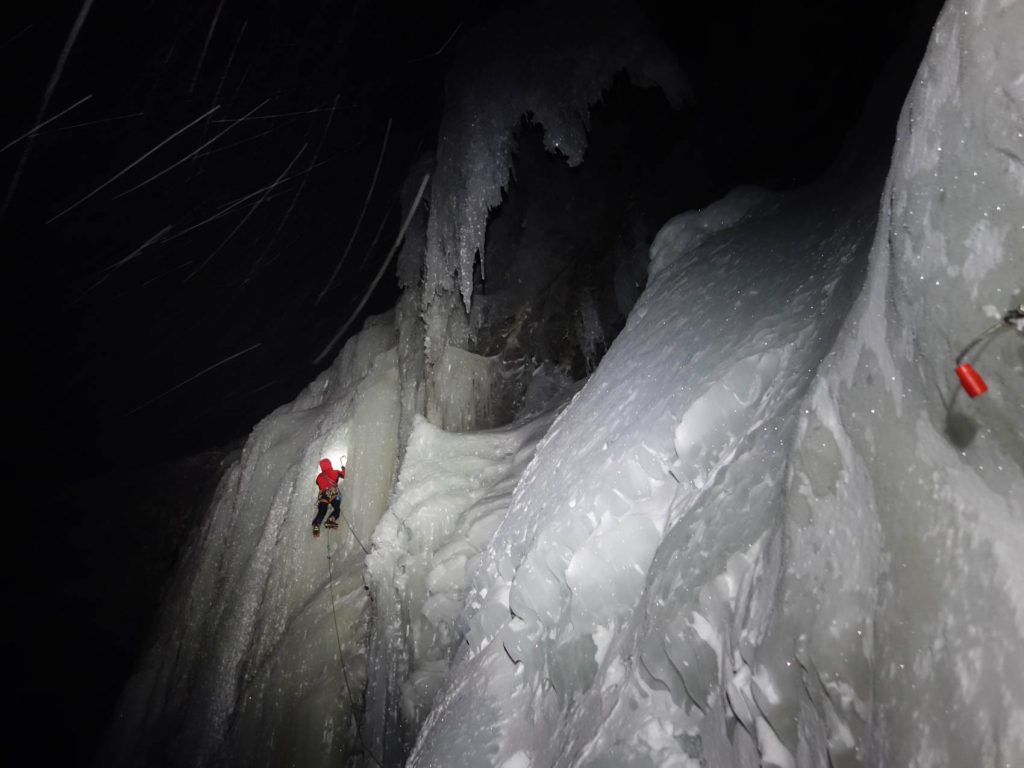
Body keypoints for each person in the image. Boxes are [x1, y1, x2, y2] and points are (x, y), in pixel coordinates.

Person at [312, 458, 346, 539]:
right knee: (337, 509)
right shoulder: (335, 472)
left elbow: (318, 483)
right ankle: (330, 520)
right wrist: (343, 468)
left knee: (321, 512)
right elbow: (344, 475)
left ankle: (316, 525)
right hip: (333, 494)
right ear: (329, 464)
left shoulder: (319, 477)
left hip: (323, 496)